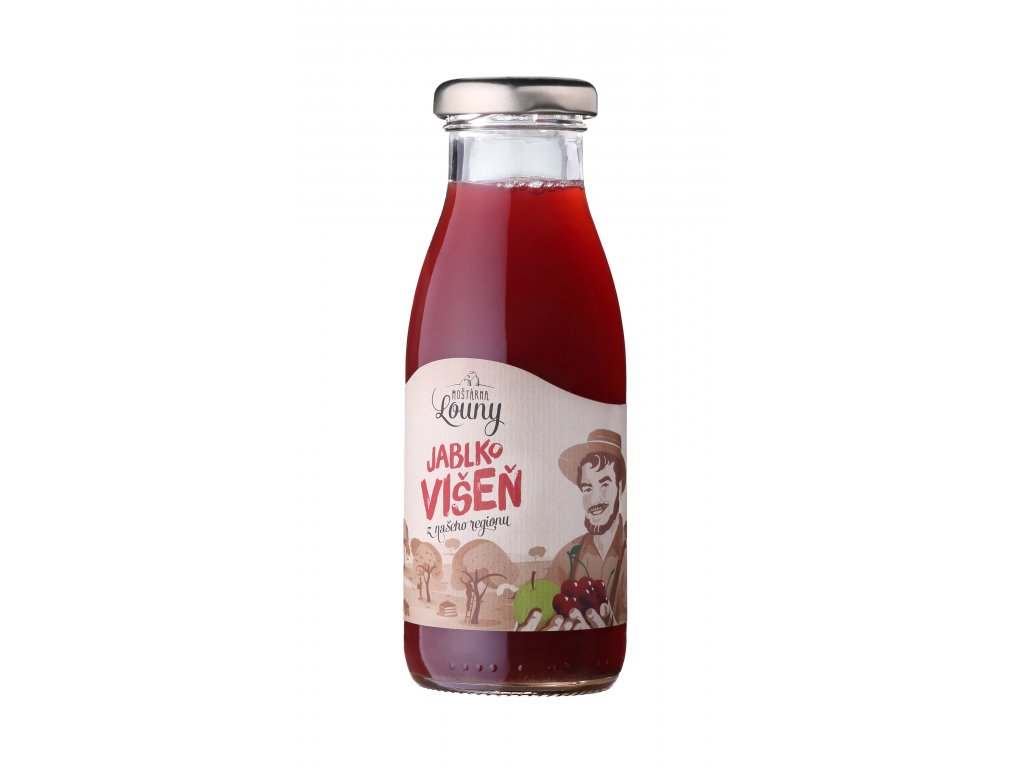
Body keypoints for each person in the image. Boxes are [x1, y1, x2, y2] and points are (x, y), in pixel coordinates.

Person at [516, 429, 627, 631]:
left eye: (604, 484)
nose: (594, 499)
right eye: (587, 488)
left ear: (620, 488)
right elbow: (547, 620)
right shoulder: (568, 556)